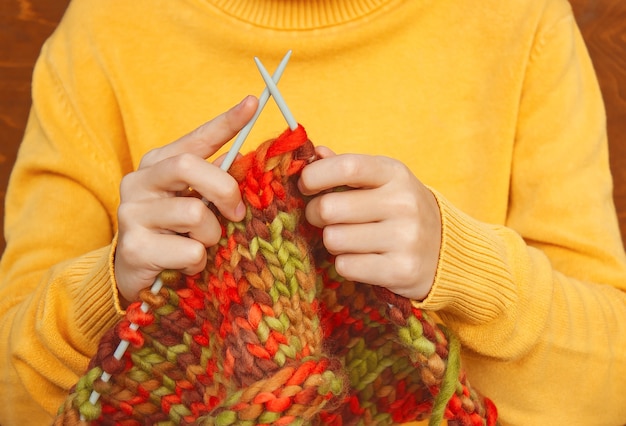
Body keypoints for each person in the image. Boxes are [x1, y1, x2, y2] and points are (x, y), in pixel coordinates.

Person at [1, 0, 625, 424]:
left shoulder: (520, 20)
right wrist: (108, 290)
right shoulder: (106, 29)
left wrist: (464, 269)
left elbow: (610, 386)